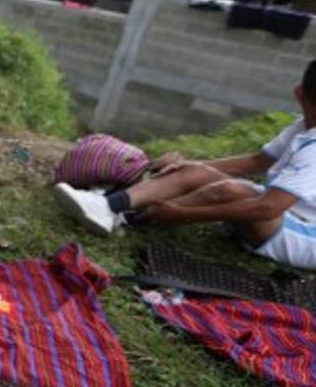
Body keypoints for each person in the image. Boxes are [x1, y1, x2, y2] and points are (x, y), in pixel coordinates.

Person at [54, 60, 316, 271]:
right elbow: (255, 162)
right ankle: (109, 205)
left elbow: (267, 207)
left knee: (231, 192)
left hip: (306, 238)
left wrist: (181, 215)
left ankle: (127, 216)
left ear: (298, 91)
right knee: (201, 175)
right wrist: (187, 167)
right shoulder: (302, 126)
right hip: (283, 214)